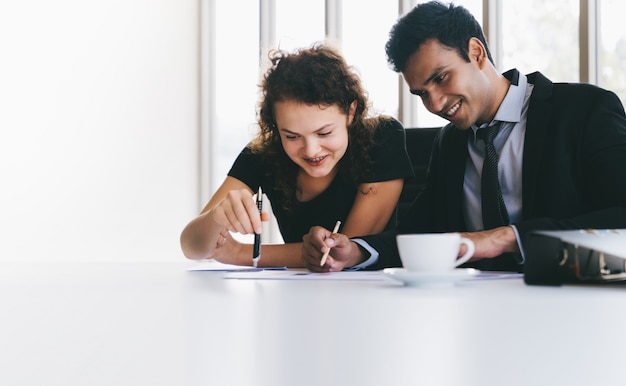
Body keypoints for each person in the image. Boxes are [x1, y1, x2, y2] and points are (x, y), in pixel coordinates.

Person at [301, 1, 626, 272]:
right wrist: (355, 251)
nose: (436, 104)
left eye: (441, 78)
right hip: (472, 314)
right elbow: (420, 234)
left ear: (476, 52)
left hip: (574, 305)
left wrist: (506, 237)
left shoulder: (584, 110)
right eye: (421, 94)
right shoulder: (450, 144)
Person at [180, 44, 414, 268]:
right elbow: (191, 247)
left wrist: (240, 253)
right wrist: (216, 218)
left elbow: (339, 254)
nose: (311, 150)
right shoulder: (263, 153)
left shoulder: (382, 137)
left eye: (324, 132)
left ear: (351, 112)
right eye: (292, 136)